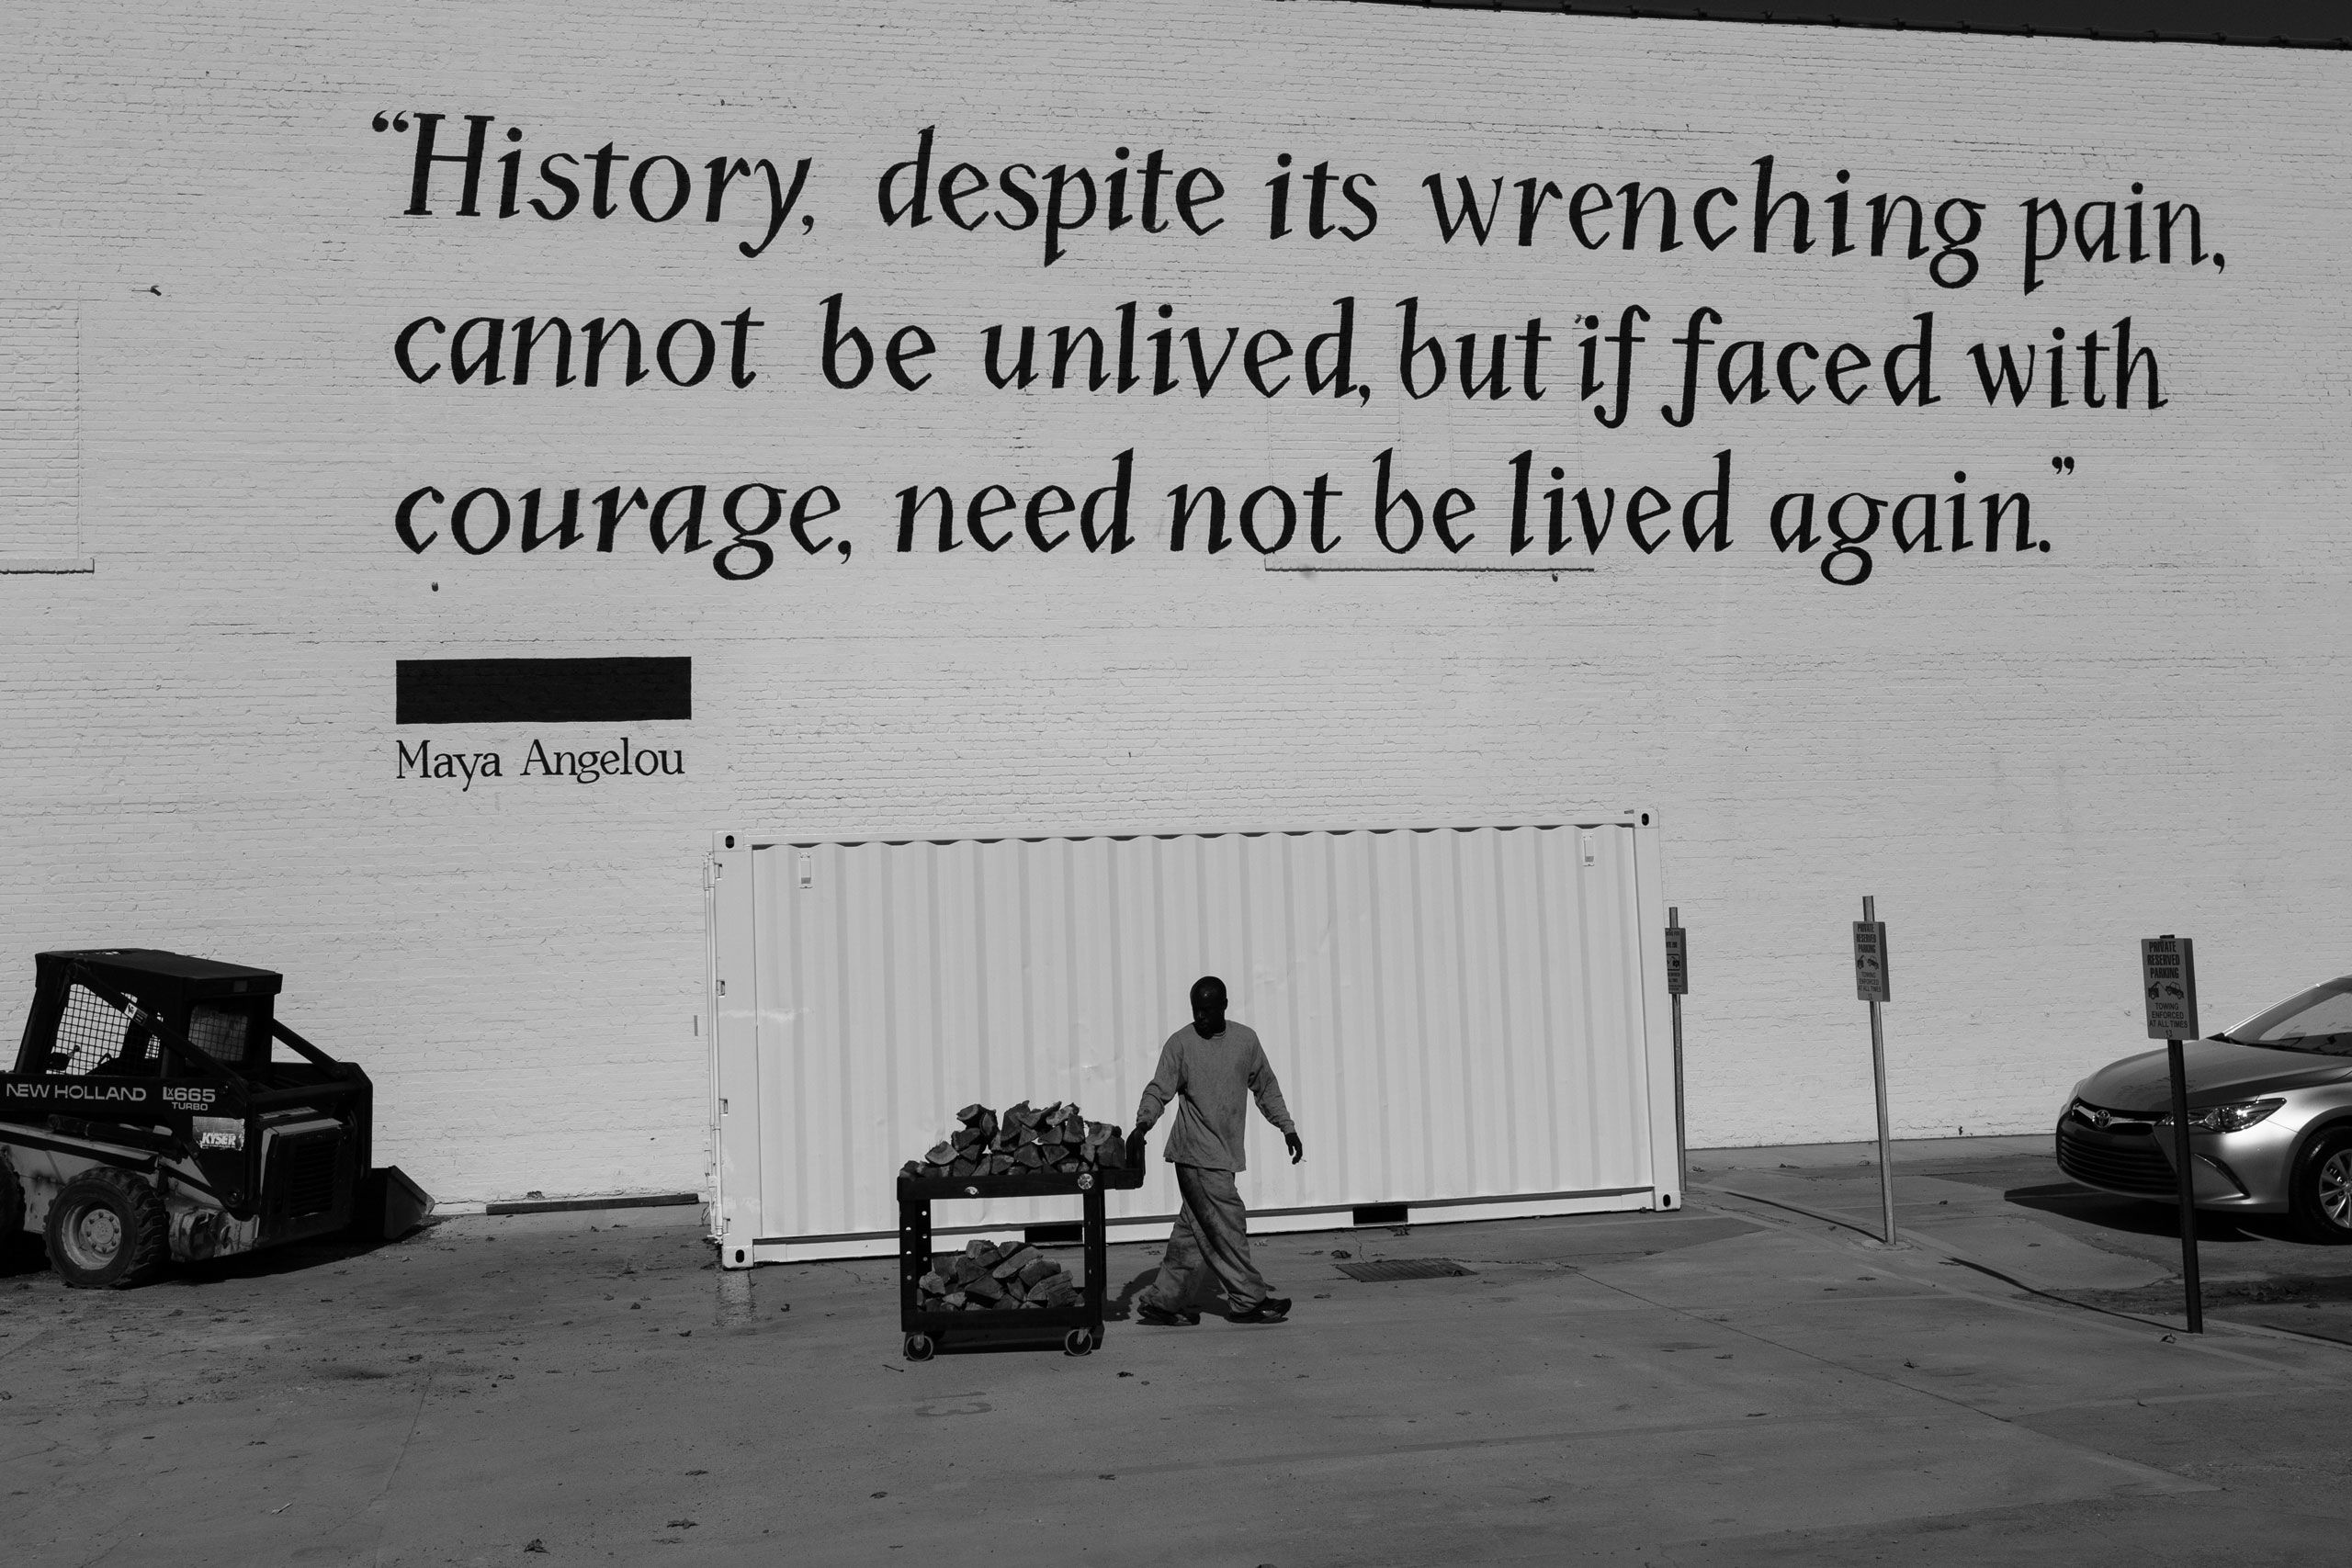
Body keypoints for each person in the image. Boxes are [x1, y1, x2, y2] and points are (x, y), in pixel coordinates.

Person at [1131, 975, 1301, 1325]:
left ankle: (1163, 1301)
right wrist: (1142, 1124)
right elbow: (1158, 1088)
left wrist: (1287, 1127)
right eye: (1196, 1010)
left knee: (1195, 1232)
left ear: (1224, 1005)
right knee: (1228, 1225)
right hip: (1194, 1153)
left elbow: (1266, 1088)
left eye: (1207, 1010)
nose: (1201, 1017)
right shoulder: (1181, 1044)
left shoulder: (1245, 1041)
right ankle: (1248, 1300)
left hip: (1223, 1155)